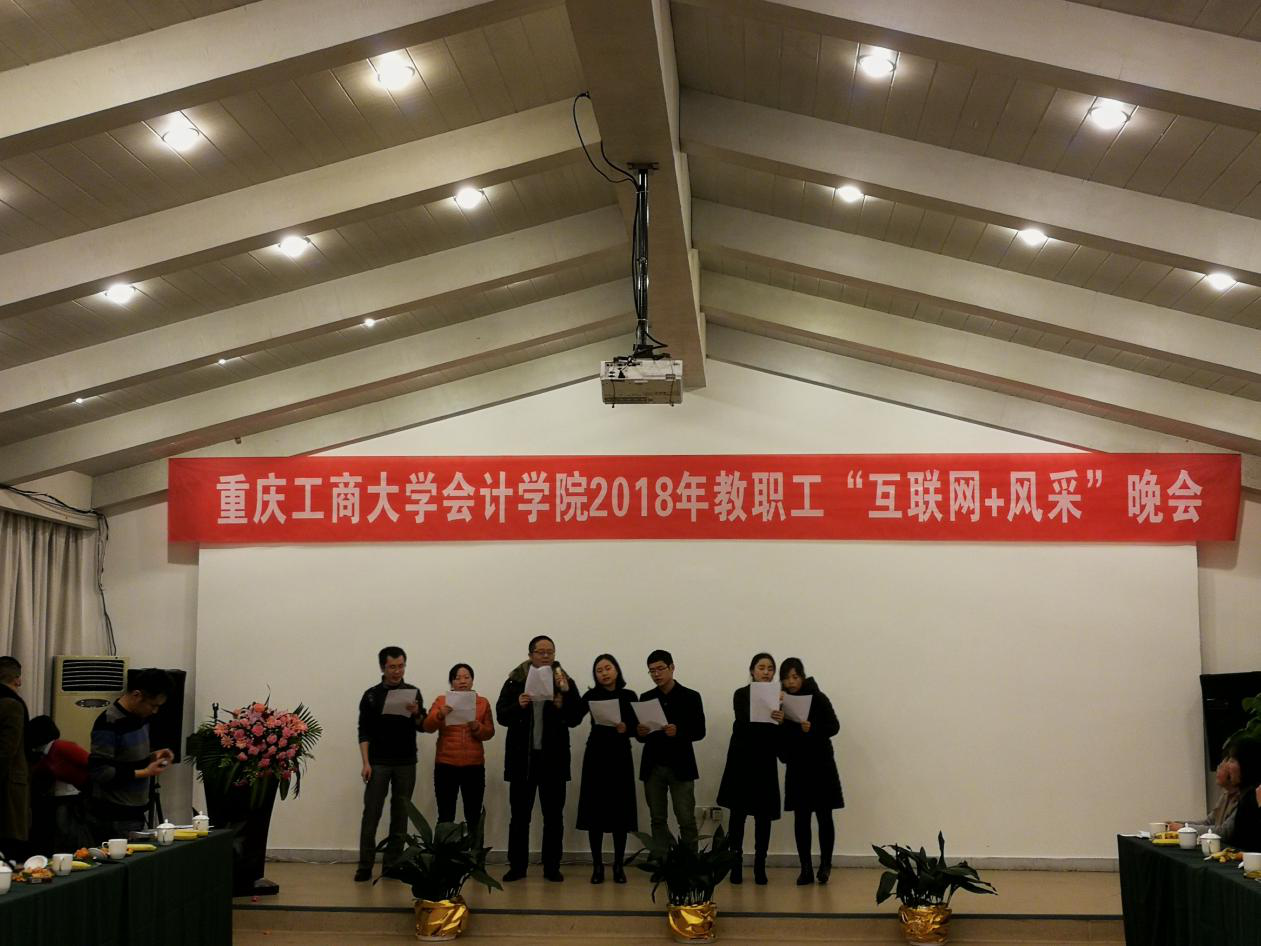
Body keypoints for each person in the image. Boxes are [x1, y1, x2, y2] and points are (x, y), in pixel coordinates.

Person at [495, 635, 585, 882]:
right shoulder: (515, 681)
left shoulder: (564, 681)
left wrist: (562, 705)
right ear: (530, 655)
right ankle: (517, 866)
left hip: (553, 760)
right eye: (540, 652)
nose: (546, 656)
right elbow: (501, 715)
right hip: (522, 761)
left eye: (550, 652)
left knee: (553, 817)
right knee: (519, 817)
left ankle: (552, 867)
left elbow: (576, 717)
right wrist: (518, 704)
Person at [356, 646, 426, 882]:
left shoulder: (413, 692)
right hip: (378, 762)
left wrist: (417, 712)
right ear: (383, 668)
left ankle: (393, 863)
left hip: (406, 761)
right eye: (392, 667)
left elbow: (422, 725)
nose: (397, 671)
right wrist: (365, 763)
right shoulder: (371, 695)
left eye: (401, 666)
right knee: (372, 812)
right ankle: (365, 865)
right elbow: (363, 731)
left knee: (401, 814)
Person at [716, 652, 782, 885]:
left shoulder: (780, 698)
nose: (766, 672)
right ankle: (735, 863)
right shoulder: (741, 694)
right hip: (742, 761)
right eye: (761, 667)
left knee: (764, 816)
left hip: (765, 762)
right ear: (752, 671)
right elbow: (744, 722)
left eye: (770, 668)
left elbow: (780, 734)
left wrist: (780, 719)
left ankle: (760, 865)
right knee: (738, 815)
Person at [776, 657, 843, 885]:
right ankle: (805, 868)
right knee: (801, 818)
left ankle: (825, 865)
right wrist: (781, 723)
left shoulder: (818, 697)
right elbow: (781, 738)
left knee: (824, 816)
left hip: (821, 765)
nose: (791, 682)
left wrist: (812, 728)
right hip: (797, 766)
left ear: (803, 677)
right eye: (786, 678)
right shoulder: (781, 702)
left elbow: (834, 726)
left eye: (795, 677)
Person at [87, 667, 174, 839]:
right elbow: (100, 771)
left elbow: (128, 759)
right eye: (153, 705)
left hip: (135, 812)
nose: (155, 711)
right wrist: (146, 772)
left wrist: (153, 756)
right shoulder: (108, 722)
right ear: (137, 695)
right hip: (113, 817)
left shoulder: (140, 718)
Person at [576, 654, 638, 884]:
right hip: (596, 755)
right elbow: (573, 718)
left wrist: (627, 728)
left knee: (620, 811)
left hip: (620, 756)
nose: (604, 673)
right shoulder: (591, 695)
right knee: (596, 812)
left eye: (607, 668)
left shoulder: (629, 696)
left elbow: (638, 728)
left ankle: (619, 865)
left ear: (616, 670)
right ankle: (597, 866)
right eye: (599, 670)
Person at [636, 649, 705, 850]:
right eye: (652, 671)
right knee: (657, 819)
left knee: (686, 818)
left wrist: (679, 731)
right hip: (653, 765)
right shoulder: (646, 697)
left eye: (660, 669)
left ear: (672, 667)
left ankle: (689, 862)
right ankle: (663, 860)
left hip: (681, 765)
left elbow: (700, 731)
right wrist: (640, 731)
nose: (656, 674)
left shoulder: (691, 696)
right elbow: (641, 736)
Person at [423, 663, 494, 825]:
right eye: (457, 678)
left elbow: (489, 732)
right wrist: (440, 715)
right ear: (451, 682)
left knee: (474, 814)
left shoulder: (482, 703)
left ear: (472, 680)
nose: (462, 681)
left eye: (466, 677)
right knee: (445, 814)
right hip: (446, 764)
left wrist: (477, 727)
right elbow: (427, 726)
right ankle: (446, 842)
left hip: (474, 765)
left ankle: (474, 842)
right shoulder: (442, 701)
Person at [26, 715, 93, 853]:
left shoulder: (61, 747)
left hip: (86, 791)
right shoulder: (48, 754)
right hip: (78, 792)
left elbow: (91, 763)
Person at [1169, 736, 1249, 842]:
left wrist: (1183, 828)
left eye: (1221, 767)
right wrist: (1179, 824)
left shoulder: (1246, 798)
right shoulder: (1225, 795)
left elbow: (1224, 832)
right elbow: (1208, 822)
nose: (1217, 770)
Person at [0, 656, 29, 859]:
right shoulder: (12, 704)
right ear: (17, 679)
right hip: (9, 783)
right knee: (11, 845)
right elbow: (7, 749)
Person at [1227, 736, 1261, 852]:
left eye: (1232, 761)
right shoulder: (1245, 794)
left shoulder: (1254, 795)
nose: (1228, 765)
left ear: (1246, 764)